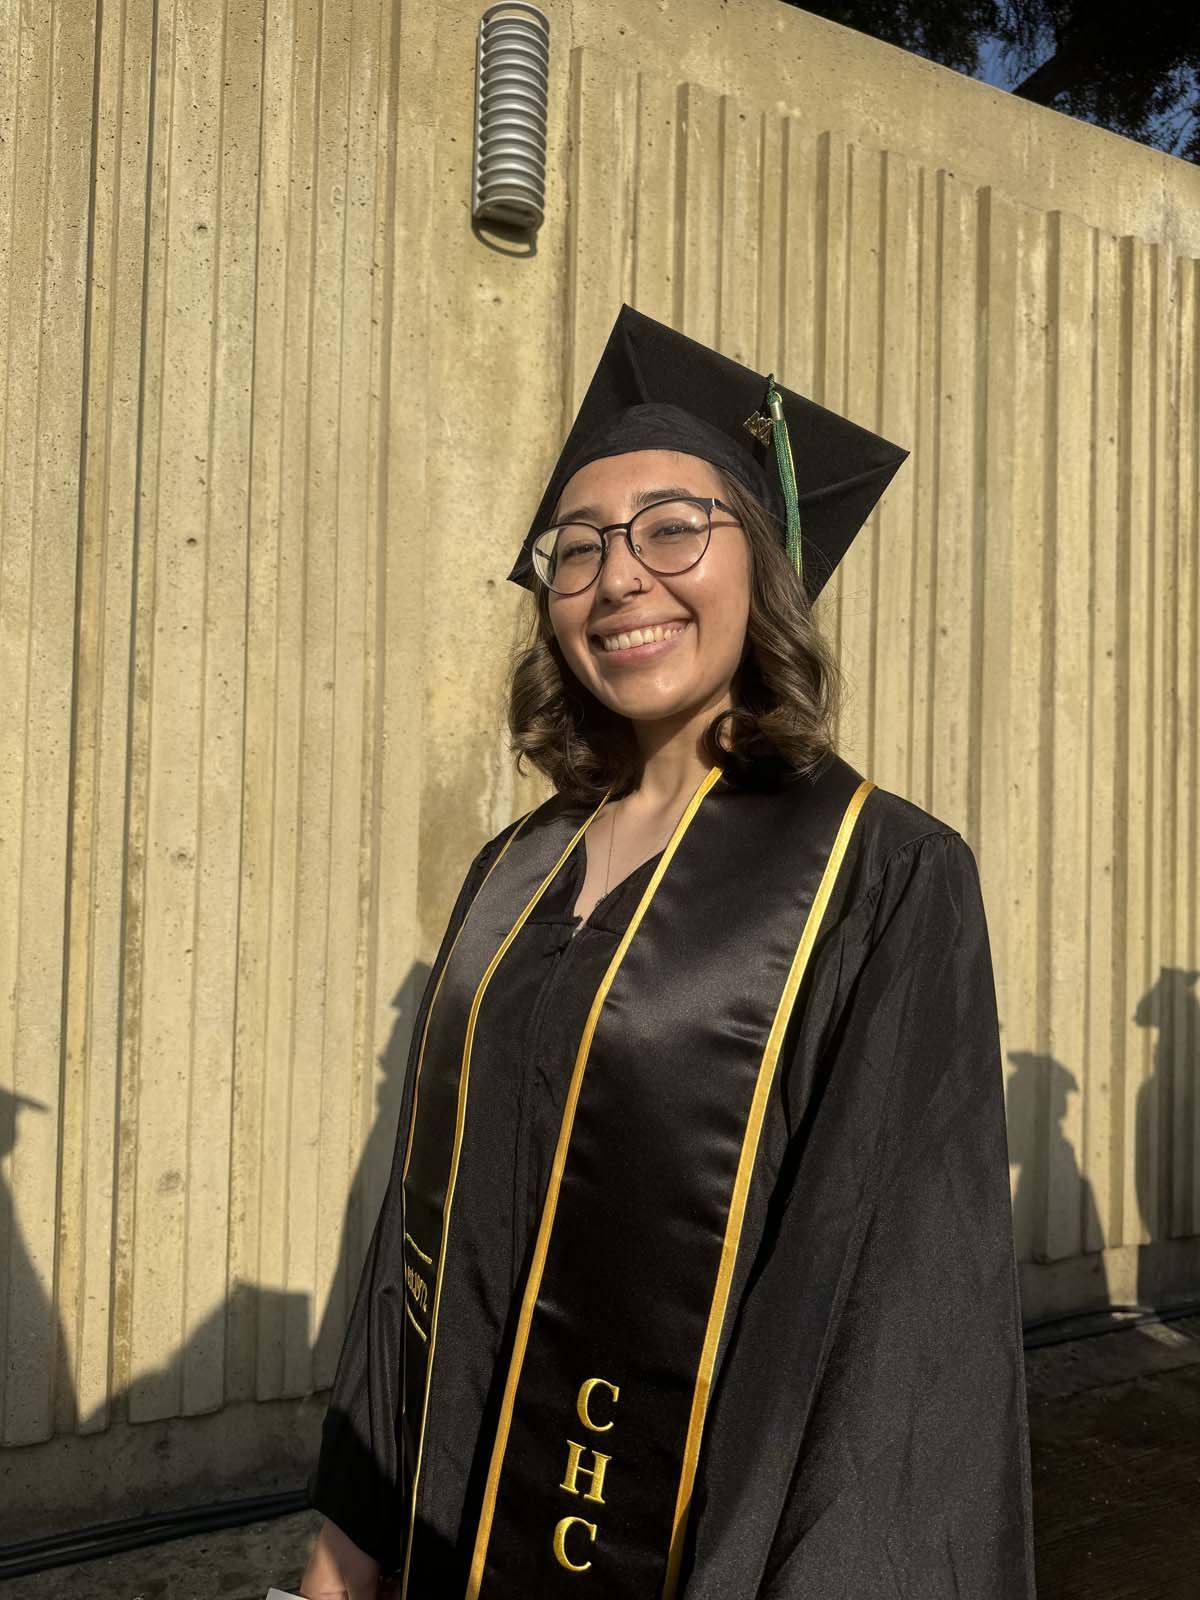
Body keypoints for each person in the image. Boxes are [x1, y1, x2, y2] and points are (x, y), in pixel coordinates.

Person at [293, 306, 1037, 1599]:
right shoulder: (515, 870)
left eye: (674, 529)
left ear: (768, 569)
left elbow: (897, 1327)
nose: (619, 577)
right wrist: (346, 1544)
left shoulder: (881, 876)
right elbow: (417, 1263)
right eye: (577, 548)